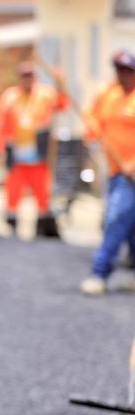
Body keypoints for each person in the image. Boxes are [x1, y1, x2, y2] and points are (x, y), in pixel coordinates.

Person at [80, 50, 135, 295]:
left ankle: (99, 272)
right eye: (119, 70)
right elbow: (95, 123)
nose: (122, 75)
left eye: (127, 70)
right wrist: (90, 132)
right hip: (115, 172)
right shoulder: (110, 95)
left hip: (131, 175)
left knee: (115, 218)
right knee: (129, 224)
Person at [0, 61, 68, 237]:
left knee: (41, 190)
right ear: (19, 78)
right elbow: (0, 123)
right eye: (23, 76)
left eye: (30, 76)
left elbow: (62, 104)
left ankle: (42, 223)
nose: (27, 79)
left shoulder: (45, 94)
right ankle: (12, 221)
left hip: (38, 152)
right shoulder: (10, 96)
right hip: (17, 152)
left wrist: (61, 83)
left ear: (34, 77)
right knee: (13, 189)